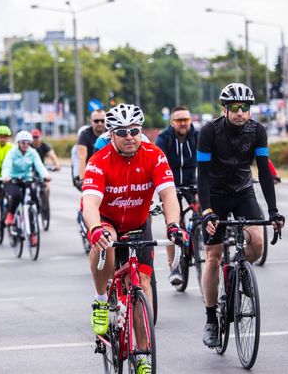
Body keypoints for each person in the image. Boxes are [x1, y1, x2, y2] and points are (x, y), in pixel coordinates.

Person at [82, 104, 186, 374]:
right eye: (122, 132)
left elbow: (168, 195)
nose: (129, 136)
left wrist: (173, 225)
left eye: (135, 131)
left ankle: (142, 356)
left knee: (141, 286)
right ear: (111, 134)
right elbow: (90, 203)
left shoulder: (154, 155)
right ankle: (101, 300)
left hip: (139, 223)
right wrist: (95, 228)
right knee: (105, 241)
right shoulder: (99, 160)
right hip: (108, 220)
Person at [197, 82, 284, 348]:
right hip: (215, 195)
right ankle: (211, 319)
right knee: (213, 256)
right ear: (224, 109)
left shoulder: (257, 131)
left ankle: (237, 272)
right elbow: (202, 175)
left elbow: (264, 171)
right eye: (234, 107)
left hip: (243, 191)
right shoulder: (209, 132)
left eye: (244, 108)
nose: (239, 113)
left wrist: (273, 211)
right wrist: (207, 211)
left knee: (256, 244)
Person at [155, 105, 199, 286]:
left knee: (203, 212)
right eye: (179, 120)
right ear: (172, 122)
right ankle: (174, 267)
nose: (183, 124)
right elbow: (158, 162)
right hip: (169, 186)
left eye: (186, 120)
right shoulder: (164, 138)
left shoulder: (197, 136)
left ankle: (200, 239)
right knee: (173, 224)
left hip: (192, 182)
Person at [1, 131, 50, 244]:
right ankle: (10, 214)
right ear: (18, 143)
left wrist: (45, 175)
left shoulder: (32, 152)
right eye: (23, 142)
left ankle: (32, 232)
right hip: (13, 179)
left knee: (34, 199)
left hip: (27, 179)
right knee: (16, 195)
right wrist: (6, 176)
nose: (25, 145)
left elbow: (39, 165)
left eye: (28, 143)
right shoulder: (12, 152)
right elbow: (7, 165)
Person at [76, 109, 106, 188]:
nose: (99, 123)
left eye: (102, 121)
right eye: (96, 121)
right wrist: (82, 179)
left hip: (108, 170)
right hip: (91, 171)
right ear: (91, 121)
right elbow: (82, 157)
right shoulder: (84, 134)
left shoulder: (111, 133)